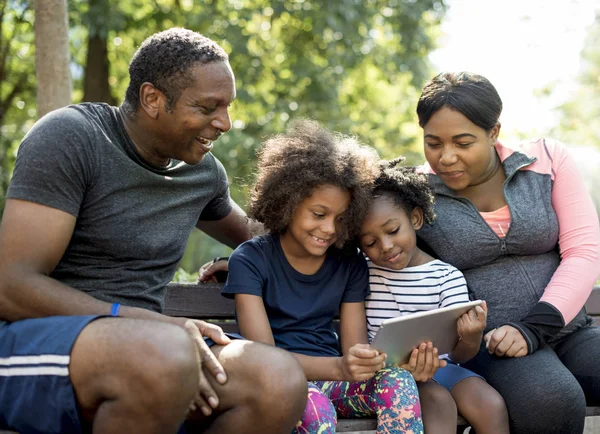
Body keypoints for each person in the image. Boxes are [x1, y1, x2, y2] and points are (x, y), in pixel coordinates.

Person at [0, 28, 307, 434]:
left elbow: (267, 240)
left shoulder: (200, 173)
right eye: (207, 107)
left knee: (276, 381)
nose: (225, 123)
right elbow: (8, 285)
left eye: (227, 107)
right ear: (152, 99)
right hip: (34, 344)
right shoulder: (72, 138)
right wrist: (146, 325)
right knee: (161, 355)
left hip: (154, 354)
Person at [415, 71, 600, 434]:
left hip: (568, 328)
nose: (446, 157)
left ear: (494, 132)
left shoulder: (546, 161)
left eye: (463, 142)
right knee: (552, 400)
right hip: (490, 345)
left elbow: (584, 252)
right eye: (433, 143)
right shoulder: (417, 195)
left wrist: (534, 328)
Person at [222, 120, 424, 434]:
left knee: (397, 383)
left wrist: (363, 360)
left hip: (333, 380)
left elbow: (353, 346)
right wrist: (340, 367)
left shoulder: (348, 263)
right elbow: (266, 361)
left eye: (341, 218)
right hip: (281, 382)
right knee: (314, 407)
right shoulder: (250, 260)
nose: (329, 228)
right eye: (319, 214)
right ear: (287, 203)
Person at [358, 158, 509, 434]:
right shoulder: (362, 273)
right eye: (370, 242)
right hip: (389, 375)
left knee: (490, 405)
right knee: (438, 403)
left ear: (415, 219)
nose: (386, 246)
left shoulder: (445, 277)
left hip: (441, 367)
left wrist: (472, 335)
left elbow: (461, 353)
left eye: (393, 231)